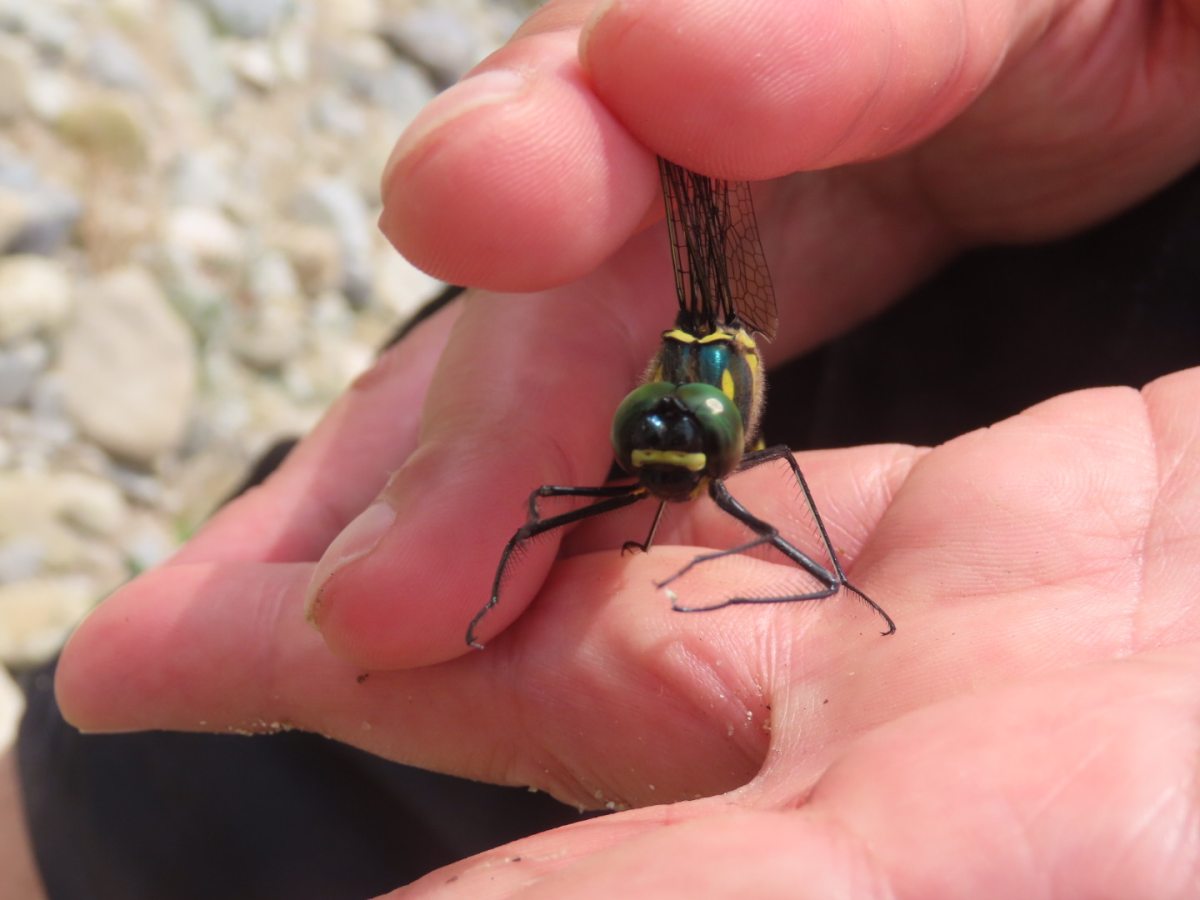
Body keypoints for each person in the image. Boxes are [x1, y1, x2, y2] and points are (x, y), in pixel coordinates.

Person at [9, 0, 1200, 895]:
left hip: (1010, 439)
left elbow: (769, 477)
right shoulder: (659, 425)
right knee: (178, 785)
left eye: (680, 440)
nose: (668, 457)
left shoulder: (737, 437)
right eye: (653, 438)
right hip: (1004, 215)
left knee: (782, 531)